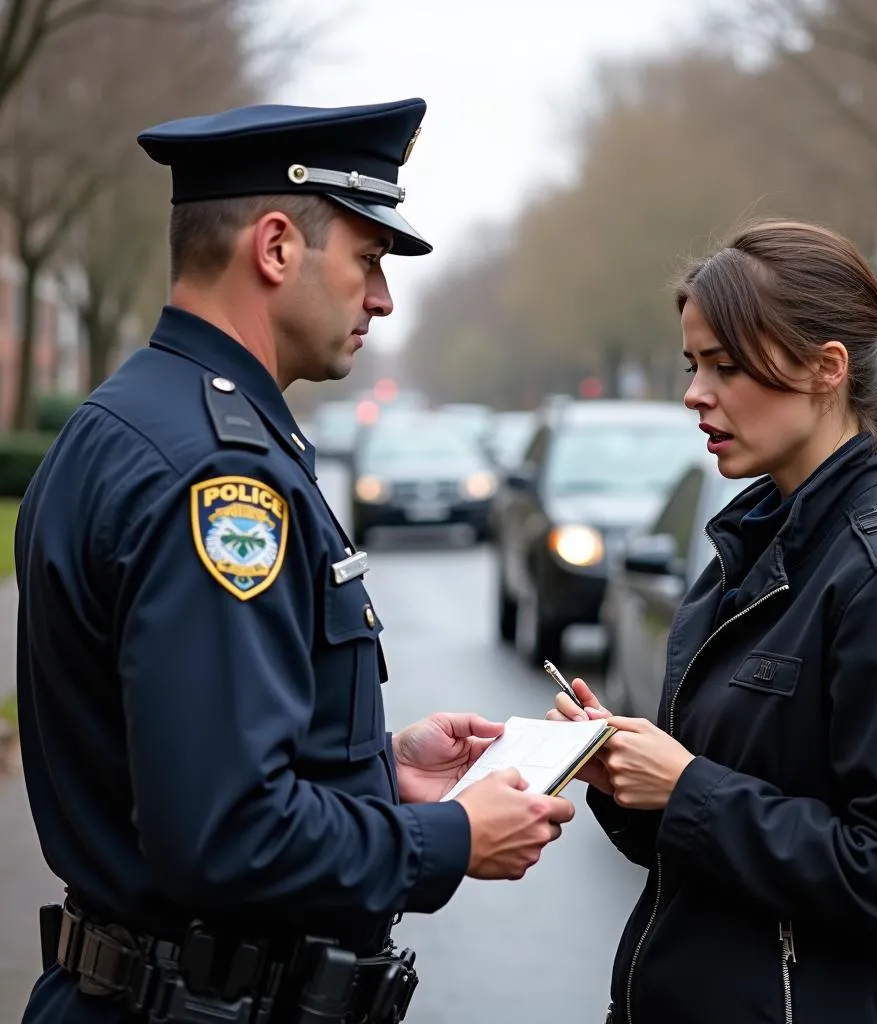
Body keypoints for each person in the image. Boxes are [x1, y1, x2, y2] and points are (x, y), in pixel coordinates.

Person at [16, 98, 574, 1024]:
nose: (383, 297)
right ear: (276, 248)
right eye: (368, 259)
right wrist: (445, 838)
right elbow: (225, 833)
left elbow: (166, 748)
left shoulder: (127, 422)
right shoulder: (222, 476)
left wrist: (375, 769)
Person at [548, 220, 877, 1023]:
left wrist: (686, 787)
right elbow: (703, 845)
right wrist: (623, 775)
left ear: (826, 369)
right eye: (693, 364)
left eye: (726, 364)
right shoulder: (744, 556)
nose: (694, 393)